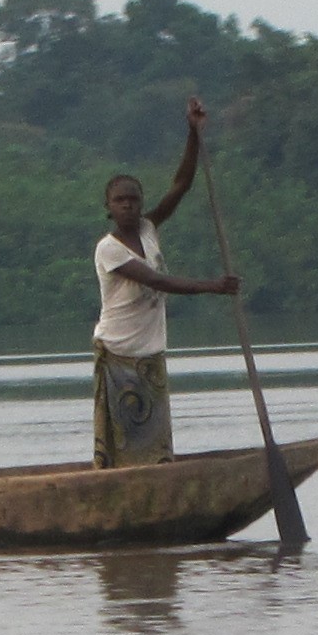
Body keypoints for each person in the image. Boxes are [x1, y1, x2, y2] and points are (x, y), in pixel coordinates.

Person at [89, 97, 239, 466]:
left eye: (133, 199)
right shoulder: (108, 249)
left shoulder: (148, 229)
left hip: (150, 353)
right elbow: (156, 280)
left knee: (154, 442)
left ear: (141, 204)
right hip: (119, 352)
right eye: (120, 200)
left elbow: (181, 184)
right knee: (124, 440)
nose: (128, 205)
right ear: (108, 207)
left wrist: (192, 132)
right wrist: (213, 286)